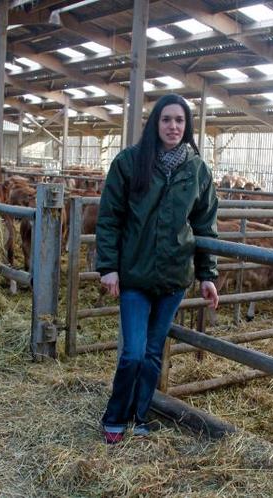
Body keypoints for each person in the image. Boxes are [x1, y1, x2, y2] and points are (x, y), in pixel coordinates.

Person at [95, 93, 220, 444]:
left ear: (187, 126)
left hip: (173, 277)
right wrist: (108, 266)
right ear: (155, 123)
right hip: (134, 274)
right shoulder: (130, 162)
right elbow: (109, 218)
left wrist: (207, 275)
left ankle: (139, 415)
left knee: (152, 354)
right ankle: (115, 414)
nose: (173, 126)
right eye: (166, 119)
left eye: (180, 120)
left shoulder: (196, 170)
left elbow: (206, 224)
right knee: (133, 352)